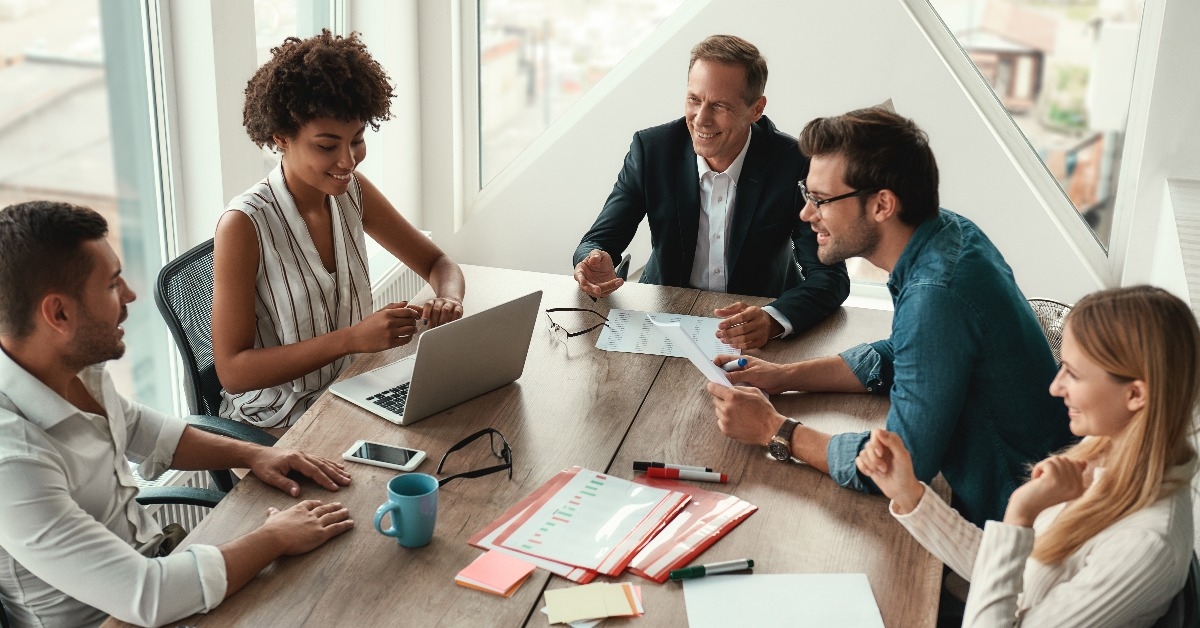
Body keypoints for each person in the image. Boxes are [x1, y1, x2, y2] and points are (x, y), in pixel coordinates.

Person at [706, 107, 1073, 527]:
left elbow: (897, 466)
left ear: (882, 204)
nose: (806, 214)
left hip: (1014, 523)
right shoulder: (950, 234)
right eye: (807, 194)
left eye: (821, 200)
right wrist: (784, 376)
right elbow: (904, 353)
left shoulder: (936, 296)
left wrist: (774, 430)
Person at [0, 201, 355, 628]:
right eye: (112, 285)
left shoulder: (73, 366)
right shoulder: (13, 462)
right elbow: (148, 595)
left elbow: (141, 429)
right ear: (58, 314)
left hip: (157, 570)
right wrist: (274, 538)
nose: (130, 295)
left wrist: (256, 454)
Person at [857, 286, 1199, 627]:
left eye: (1074, 373)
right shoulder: (1106, 452)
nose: (1056, 386)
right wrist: (909, 494)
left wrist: (1021, 514)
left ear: (1136, 394)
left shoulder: (1144, 546)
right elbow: (1009, 575)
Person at [213, 30, 466, 428]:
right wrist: (352, 339)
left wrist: (448, 298)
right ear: (281, 138)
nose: (348, 161)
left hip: (354, 389)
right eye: (327, 146)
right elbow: (233, 372)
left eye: (357, 140)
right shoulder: (244, 225)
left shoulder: (353, 191)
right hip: (280, 422)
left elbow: (438, 263)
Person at [572, 34, 849, 350]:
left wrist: (773, 318)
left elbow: (830, 278)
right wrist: (593, 262)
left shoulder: (794, 163)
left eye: (719, 105)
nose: (701, 119)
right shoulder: (652, 151)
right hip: (664, 317)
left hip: (757, 322)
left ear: (756, 109)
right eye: (694, 99)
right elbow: (597, 241)